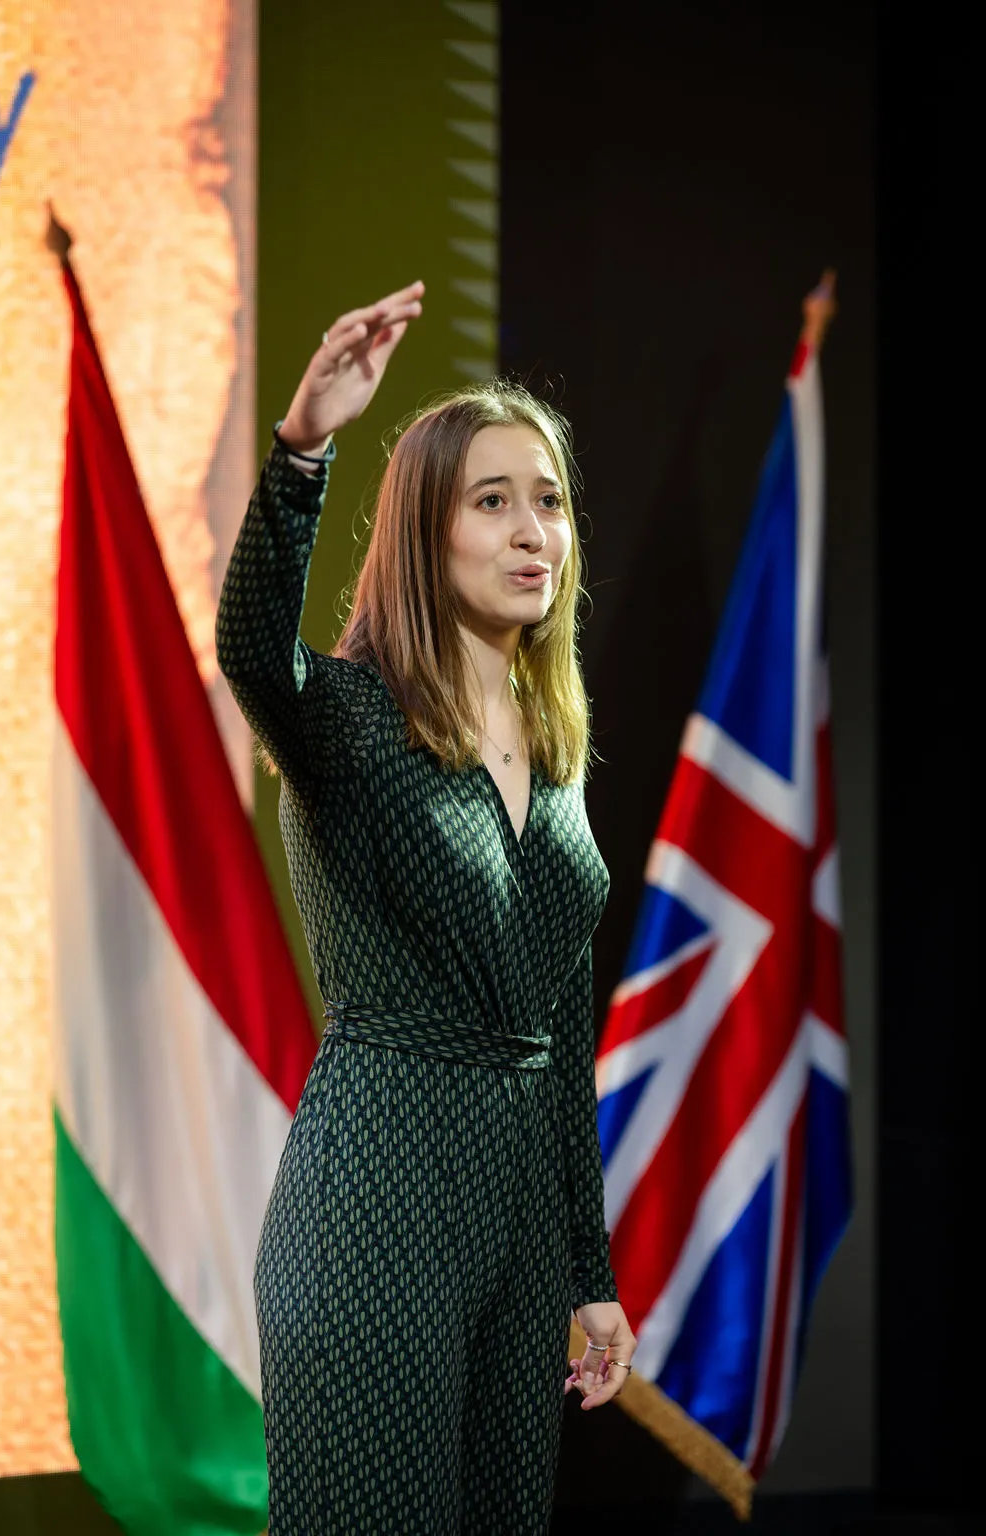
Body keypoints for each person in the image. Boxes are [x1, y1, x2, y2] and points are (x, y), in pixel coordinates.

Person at [216, 281, 635, 1535]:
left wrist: (589, 1271)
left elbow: (560, 1036)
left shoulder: (556, 757)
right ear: (422, 534)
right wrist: (302, 451)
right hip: (373, 1213)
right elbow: (249, 650)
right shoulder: (349, 717)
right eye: (491, 501)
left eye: (548, 500)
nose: (532, 531)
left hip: (520, 1244)